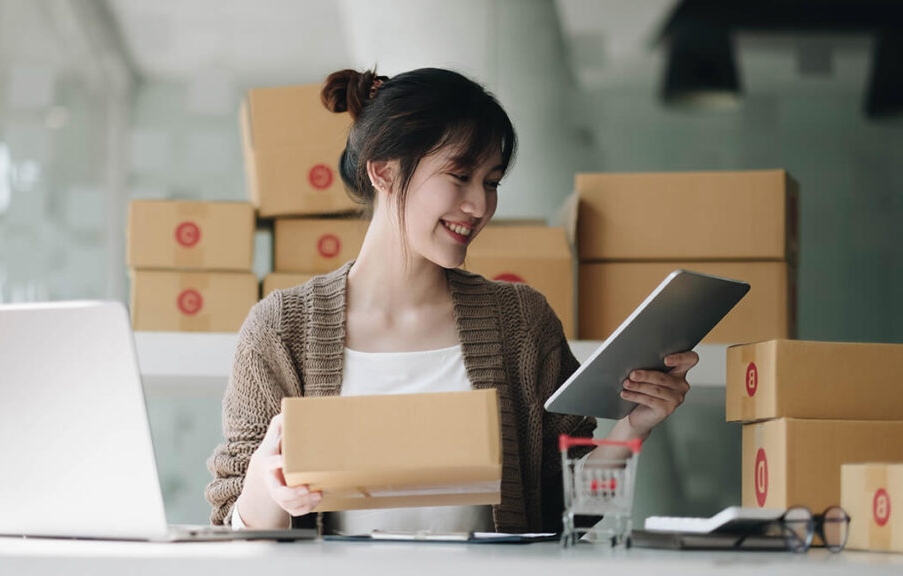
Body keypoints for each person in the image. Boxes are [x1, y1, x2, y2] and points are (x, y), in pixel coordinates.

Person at [206, 67, 697, 534]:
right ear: (384, 172)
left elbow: (565, 509)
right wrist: (268, 484)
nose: (480, 205)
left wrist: (636, 425)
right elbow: (234, 522)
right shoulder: (280, 329)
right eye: (460, 176)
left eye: (491, 181)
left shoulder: (521, 322)